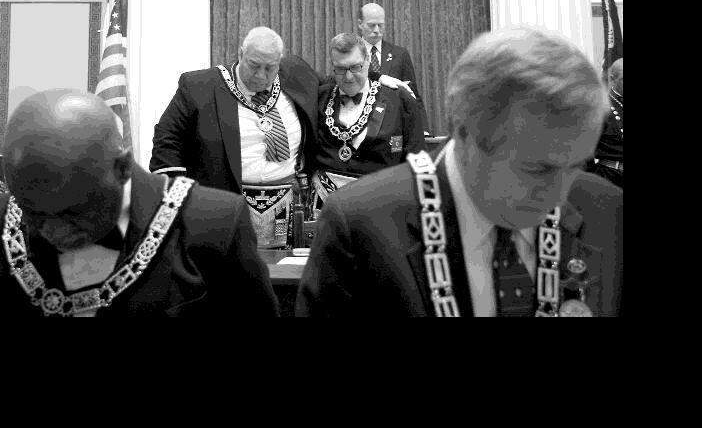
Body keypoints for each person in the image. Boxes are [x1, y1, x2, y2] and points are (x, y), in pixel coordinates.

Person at [297, 25, 623, 317]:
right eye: (537, 169)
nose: (559, 196)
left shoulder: (609, 213)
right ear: (465, 132)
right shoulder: (359, 229)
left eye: (575, 165)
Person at [1, 90, 277, 317]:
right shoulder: (5, 218)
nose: (53, 232)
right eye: (33, 214)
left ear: (122, 168)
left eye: (73, 212)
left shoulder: (215, 223)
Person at [149, 26, 320, 247]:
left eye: (270, 68)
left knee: (284, 278)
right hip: (224, 207)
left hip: (288, 209)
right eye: (254, 65)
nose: (260, 75)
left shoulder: (297, 73)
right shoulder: (200, 87)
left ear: (280, 62)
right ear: (240, 54)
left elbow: (339, 87)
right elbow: (166, 143)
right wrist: (185, 202)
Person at [308, 33, 425, 214]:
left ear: (368, 60)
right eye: (340, 69)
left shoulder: (400, 100)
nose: (348, 77)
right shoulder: (319, 98)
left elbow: (416, 163)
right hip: (326, 210)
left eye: (356, 67)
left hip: (382, 209)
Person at [357, 2, 430, 134]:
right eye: (371, 25)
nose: (377, 30)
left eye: (381, 25)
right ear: (360, 24)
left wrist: (423, 129)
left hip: (394, 128)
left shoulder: (399, 54)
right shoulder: (351, 53)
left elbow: (412, 95)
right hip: (359, 127)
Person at [587, 58, 623, 189]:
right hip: (612, 178)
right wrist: (596, 180)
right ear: (612, 79)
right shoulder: (601, 108)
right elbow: (586, 151)